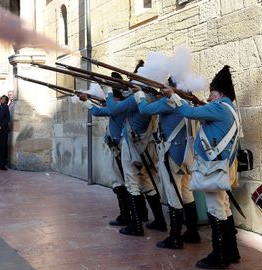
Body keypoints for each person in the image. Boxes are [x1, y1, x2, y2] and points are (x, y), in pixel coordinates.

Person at [163, 65, 240, 269]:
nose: (209, 97)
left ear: (220, 93)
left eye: (211, 93)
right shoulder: (228, 108)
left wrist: (174, 96)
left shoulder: (218, 107)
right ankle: (232, 252)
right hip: (222, 166)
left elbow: (188, 112)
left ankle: (219, 256)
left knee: (215, 209)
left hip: (213, 167)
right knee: (223, 208)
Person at [133, 78, 200, 249]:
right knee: (186, 193)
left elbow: (144, 110)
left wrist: (139, 93)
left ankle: (175, 237)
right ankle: (192, 232)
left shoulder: (169, 101)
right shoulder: (184, 101)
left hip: (172, 155)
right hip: (186, 155)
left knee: (172, 193)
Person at [104, 83, 167, 236]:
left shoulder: (136, 99)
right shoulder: (151, 99)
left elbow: (113, 109)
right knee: (147, 183)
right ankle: (160, 220)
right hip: (145, 147)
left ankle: (136, 226)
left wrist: (108, 92)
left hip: (132, 147)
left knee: (132, 184)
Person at [79, 79, 132, 227]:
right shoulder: (121, 106)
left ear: (116, 97)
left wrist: (86, 101)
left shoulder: (118, 107)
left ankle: (126, 216)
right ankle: (136, 214)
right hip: (121, 148)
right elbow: (105, 109)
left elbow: (97, 112)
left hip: (119, 149)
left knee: (119, 182)